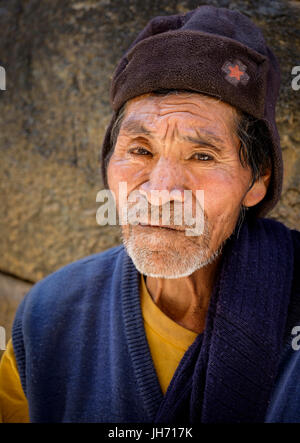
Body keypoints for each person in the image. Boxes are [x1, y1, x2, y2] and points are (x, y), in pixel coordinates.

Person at [0, 5, 299, 423]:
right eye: (139, 150)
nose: (160, 194)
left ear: (258, 180)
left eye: (202, 155)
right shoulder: (48, 316)